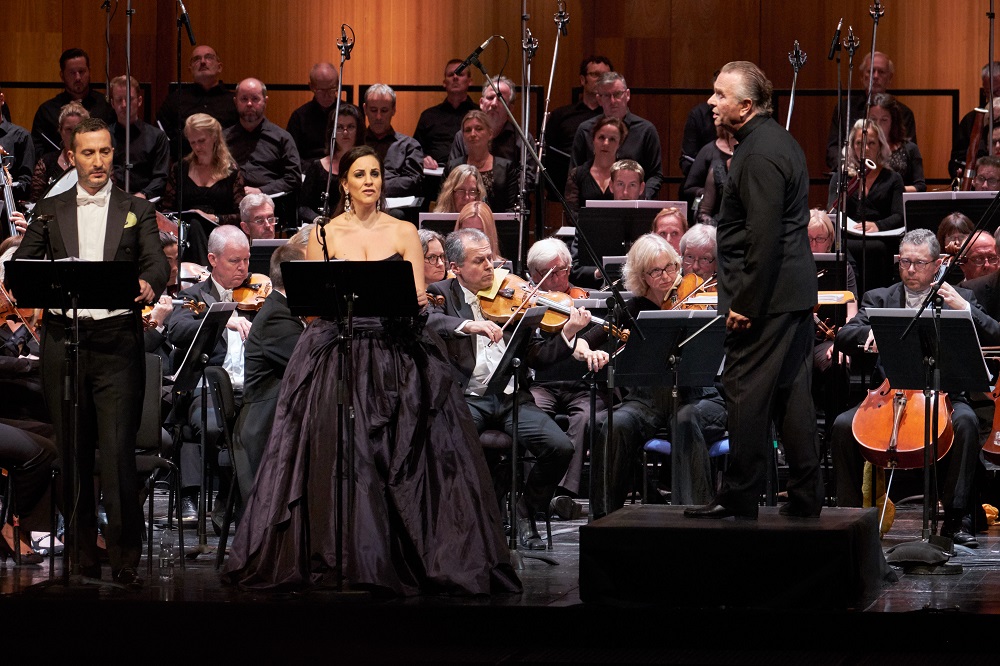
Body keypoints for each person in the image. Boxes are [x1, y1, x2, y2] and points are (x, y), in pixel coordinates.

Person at [225, 146, 520, 595]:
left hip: (393, 350)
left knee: (404, 454)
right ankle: (339, 553)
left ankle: (401, 556)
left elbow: (419, 302)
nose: (369, 181)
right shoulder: (321, 234)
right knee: (337, 453)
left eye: (376, 174)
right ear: (344, 183)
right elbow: (313, 304)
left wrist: (412, 303)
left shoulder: (403, 231)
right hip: (335, 351)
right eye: (360, 174)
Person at [12, 116, 170, 587]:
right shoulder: (50, 208)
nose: (98, 161)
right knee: (73, 453)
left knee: (118, 454)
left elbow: (156, 262)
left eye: (104, 152)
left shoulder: (134, 209)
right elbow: (23, 265)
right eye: (88, 153)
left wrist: (149, 282)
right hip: (65, 343)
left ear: (111, 156)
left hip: (117, 343)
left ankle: (123, 557)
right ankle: (80, 555)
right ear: (72, 157)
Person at [685, 61, 822, 521]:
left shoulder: (758, 153)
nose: (711, 102)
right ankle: (805, 494)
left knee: (740, 387)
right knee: (790, 394)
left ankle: (740, 494)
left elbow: (762, 235)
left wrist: (744, 302)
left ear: (745, 106)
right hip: (790, 294)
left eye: (720, 95)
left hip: (765, 298)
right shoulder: (775, 142)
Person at [427, 227, 594, 550]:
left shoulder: (513, 295)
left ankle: (525, 510)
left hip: (509, 398)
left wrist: (568, 333)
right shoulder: (441, 293)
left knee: (560, 447)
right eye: (480, 261)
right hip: (467, 400)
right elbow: (429, 321)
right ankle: (463, 523)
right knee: (450, 447)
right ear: (456, 267)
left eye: (490, 258)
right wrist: (469, 325)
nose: (491, 266)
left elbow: (539, 356)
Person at [831, 229, 1000, 547]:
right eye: (904, 261)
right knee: (843, 425)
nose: (910, 269)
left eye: (919, 263)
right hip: (890, 394)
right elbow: (844, 335)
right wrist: (869, 335)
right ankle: (852, 515)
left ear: (937, 264)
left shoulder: (957, 298)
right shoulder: (879, 298)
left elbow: (994, 334)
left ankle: (955, 520)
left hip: (945, 395)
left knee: (965, 422)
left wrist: (964, 306)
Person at [584, 234, 727, 513]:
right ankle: (603, 518)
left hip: (696, 396)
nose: (667, 276)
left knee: (684, 420)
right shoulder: (633, 309)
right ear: (641, 276)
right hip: (646, 402)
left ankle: (694, 513)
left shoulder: (697, 300)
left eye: (671, 267)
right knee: (615, 424)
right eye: (656, 271)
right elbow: (588, 340)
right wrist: (587, 350)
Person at [166, 225, 254, 522]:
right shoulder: (195, 296)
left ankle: (228, 502)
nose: (243, 268)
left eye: (246, 260)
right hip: (206, 387)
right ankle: (205, 496)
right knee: (213, 426)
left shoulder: (256, 295)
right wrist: (219, 319)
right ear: (213, 259)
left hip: (249, 387)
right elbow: (177, 330)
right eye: (234, 261)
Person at [526, 238, 610, 502]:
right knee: (531, 415)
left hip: (580, 385)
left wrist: (592, 349)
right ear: (535, 274)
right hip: (542, 384)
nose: (561, 278)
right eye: (552, 273)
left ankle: (562, 493)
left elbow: (599, 335)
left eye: (563, 270)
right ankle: (533, 490)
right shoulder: (524, 302)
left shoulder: (582, 300)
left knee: (586, 416)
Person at [230, 241, 306, 508]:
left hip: (277, 420)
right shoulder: (277, 317)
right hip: (266, 427)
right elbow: (310, 365)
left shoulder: (283, 310)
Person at [828, 119, 904, 293]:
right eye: (859, 143)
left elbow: (899, 215)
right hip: (849, 236)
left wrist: (878, 226)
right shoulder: (841, 177)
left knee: (878, 249)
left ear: (880, 146)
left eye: (871, 143)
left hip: (881, 238)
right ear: (853, 146)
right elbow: (832, 211)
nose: (866, 149)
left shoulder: (892, 178)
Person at [159, 113, 246, 266]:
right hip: (185, 236)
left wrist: (213, 218)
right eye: (192, 143)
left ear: (214, 137)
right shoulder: (180, 169)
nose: (197, 147)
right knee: (194, 225)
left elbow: (241, 216)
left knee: (198, 227)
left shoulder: (231, 171)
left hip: (221, 235)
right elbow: (167, 211)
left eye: (201, 141)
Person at [570, 72, 663, 198]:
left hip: (633, 205)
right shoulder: (585, 129)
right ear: (599, 99)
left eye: (618, 94)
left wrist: (642, 198)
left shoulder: (646, 130)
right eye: (607, 96)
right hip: (592, 202)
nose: (613, 101)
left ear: (627, 95)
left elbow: (655, 175)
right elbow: (575, 174)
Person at [825, 51, 916, 171]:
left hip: (892, 176)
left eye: (881, 72)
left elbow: (908, 153)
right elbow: (833, 149)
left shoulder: (904, 113)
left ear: (890, 78)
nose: (876, 76)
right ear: (862, 77)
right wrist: (848, 168)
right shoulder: (844, 108)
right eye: (871, 71)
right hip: (851, 176)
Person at [543, 55, 614, 195]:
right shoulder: (561, 115)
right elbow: (548, 154)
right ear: (582, 80)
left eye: (606, 76)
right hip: (564, 188)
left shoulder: (613, 117)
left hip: (606, 189)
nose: (601, 79)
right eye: (595, 74)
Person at [30, 48, 115, 158]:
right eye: (72, 73)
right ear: (62, 75)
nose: (78, 77)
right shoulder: (47, 111)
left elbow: (115, 143)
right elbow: (38, 150)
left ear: (89, 72)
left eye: (82, 71)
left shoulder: (105, 106)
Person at [224, 78, 301, 198]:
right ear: (235, 102)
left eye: (255, 99)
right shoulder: (223, 139)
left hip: (271, 204)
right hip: (230, 204)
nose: (249, 104)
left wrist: (261, 190)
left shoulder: (282, 138)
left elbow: (293, 178)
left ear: (265, 101)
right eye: (244, 99)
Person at [157, 45, 239, 149]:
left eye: (209, 57)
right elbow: (161, 134)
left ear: (219, 67)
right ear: (190, 69)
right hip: (185, 161)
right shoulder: (175, 100)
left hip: (225, 161)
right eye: (197, 59)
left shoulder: (234, 100)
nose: (203, 62)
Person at [107, 75, 170, 201]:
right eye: (119, 100)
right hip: (111, 201)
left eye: (129, 99)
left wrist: (142, 195)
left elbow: (161, 177)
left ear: (139, 101)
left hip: (145, 202)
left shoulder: (157, 137)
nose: (124, 105)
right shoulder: (104, 136)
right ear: (112, 103)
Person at [298, 104, 362, 224]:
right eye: (339, 127)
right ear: (331, 131)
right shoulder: (317, 166)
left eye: (351, 127)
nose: (345, 132)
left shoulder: (366, 165)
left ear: (358, 130)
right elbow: (303, 208)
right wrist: (319, 220)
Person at [444, 110, 517, 213]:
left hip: (497, 227)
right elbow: (445, 203)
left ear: (490, 134)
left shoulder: (506, 168)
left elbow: (511, 209)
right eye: (468, 130)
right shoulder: (452, 167)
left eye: (479, 129)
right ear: (463, 136)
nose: (473, 134)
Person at [363, 84, 424, 199]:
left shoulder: (409, 145)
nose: (378, 116)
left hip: (395, 206)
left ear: (393, 110)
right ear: (365, 109)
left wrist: (376, 185)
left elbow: (414, 181)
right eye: (373, 110)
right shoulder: (356, 143)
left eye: (384, 110)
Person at [416, 59, 479, 169]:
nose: (455, 77)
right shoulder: (428, 116)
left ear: (470, 81)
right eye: (450, 75)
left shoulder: (480, 115)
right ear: (444, 83)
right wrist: (423, 159)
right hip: (434, 177)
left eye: (460, 74)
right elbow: (415, 150)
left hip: (471, 174)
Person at [563, 115, 626, 217]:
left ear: (619, 144)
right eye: (601, 137)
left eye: (612, 139)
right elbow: (571, 214)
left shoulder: (628, 175)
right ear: (593, 140)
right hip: (584, 231)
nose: (606, 143)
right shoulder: (577, 174)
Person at [286, 62, 340, 170]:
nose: (326, 95)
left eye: (331, 89)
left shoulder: (349, 114)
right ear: (311, 87)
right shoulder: (299, 117)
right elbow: (291, 156)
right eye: (321, 90)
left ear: (338, 84)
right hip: (309, 171)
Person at [29, 102, 87, 203]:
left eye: (78, 129)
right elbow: (36, 203)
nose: (73, 134)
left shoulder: (97, 162)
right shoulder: (46, 163)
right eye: (69, 129)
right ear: (60, 131)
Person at [950, 62, 1000, 178]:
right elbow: (957, 161)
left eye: (997, 91)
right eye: (988, 93)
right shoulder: (972, 120)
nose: (994, 97)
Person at [868, 93, 925, 193]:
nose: (877, 125)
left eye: (884, 120)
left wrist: (893, 190)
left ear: (893, 121)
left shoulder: (910, 149)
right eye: (873, 119)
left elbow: (920, 187)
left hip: (900, 204)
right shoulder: (863, 148)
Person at [0, 90, 34, 204]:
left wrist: (6, 188)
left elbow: (26, 183)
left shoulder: (21, 136)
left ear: (1, 99)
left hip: (7, 209)